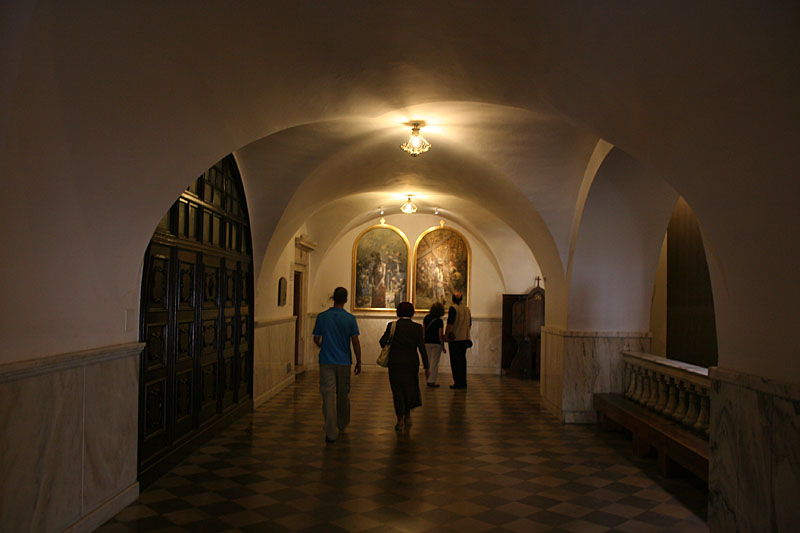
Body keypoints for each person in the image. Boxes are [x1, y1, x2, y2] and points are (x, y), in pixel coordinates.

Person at [312, 287, 362, 442]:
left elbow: (316, 338)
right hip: (344, 361)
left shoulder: (322, 317)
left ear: (333, 298)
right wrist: (359, 361)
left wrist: (323, 345)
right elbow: (355, 341)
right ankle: (342, 423)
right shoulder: (350, 319)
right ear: (346, 300)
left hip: (326, 360)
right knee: (343, 395)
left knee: (328, 396)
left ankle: (330, 431)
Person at [379, 301, 429, 430]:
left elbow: (382, 342)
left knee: (397, 390)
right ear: (412, 313)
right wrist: (427, 366)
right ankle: (407, 415)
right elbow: (422, 348)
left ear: (398, 312)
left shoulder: (392, 326)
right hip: (411, 363)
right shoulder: (417, 328)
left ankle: (400, 419)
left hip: (395, 363)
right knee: (410, 388)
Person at [445, 291, 472, 389]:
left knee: (455, 362)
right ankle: (463, 382)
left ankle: (457, 382)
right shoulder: (467, 309)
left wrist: (446, 335)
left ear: (453, 299)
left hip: (455, 339)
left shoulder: (453, 309)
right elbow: (470, 324)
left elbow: (450, 324)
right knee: (462, 361)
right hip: (465, 338)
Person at [422, 302, 446, 388]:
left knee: (427, 362)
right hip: (436, 343)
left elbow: (423, 331)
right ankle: (431, 381)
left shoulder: (426, 318)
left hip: (427, 342)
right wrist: (443, 346)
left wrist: (422, 341)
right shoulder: (439, 321)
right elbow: (440, 335)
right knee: (434, 362)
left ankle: (427, 377)